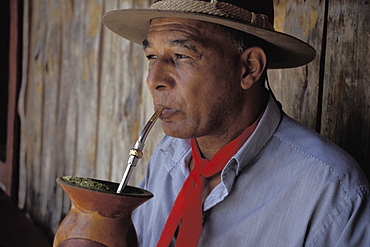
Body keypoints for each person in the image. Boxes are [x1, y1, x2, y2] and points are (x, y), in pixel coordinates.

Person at [103, 0, 370, 246]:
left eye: (181, 55)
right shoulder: (167, 155)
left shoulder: (332, 193)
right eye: (152, 56)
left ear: (249, 68)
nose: (154, 79)